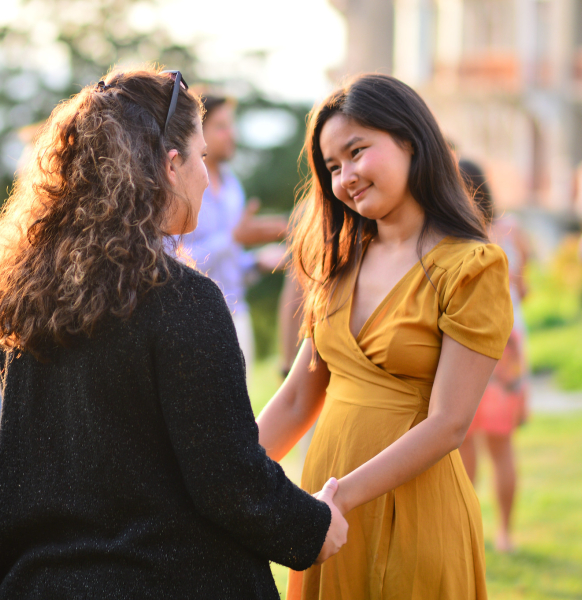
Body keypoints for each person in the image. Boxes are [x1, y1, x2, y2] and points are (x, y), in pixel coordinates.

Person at [0, 66, 348, 599]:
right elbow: (227, 480)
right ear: (170, 164)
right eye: (202, 158)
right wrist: (316, 525)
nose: (208, 177)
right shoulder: (181, 300)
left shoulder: (29, 298)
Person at [257, 74, 514, 600]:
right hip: (326, 511)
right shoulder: (338, 262)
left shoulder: (471, 266)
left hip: (411, 510)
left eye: (357, 152)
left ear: (409, 140)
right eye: (332, 167)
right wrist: (224, 477)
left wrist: (337, 499)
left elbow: (448, 424)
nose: (346, 176)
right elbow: (298, 398)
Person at [178, 93, 287, 376]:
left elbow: (229, 268)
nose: (232, 134)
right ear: (196, 131)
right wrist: (233, 238)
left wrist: (258, 263)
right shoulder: (177, 185)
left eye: (232, 125)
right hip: (193, 324)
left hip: (237, 318)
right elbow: (172, 262)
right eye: (221, 126)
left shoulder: (232, 187)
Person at [458, 159, 530, 553]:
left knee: (463, 441)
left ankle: (473, 534)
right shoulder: (511, 232)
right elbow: (525, 290)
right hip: (511, 343)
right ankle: (505, 534)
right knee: (501, 447)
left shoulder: (458, 236)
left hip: (472, 344)